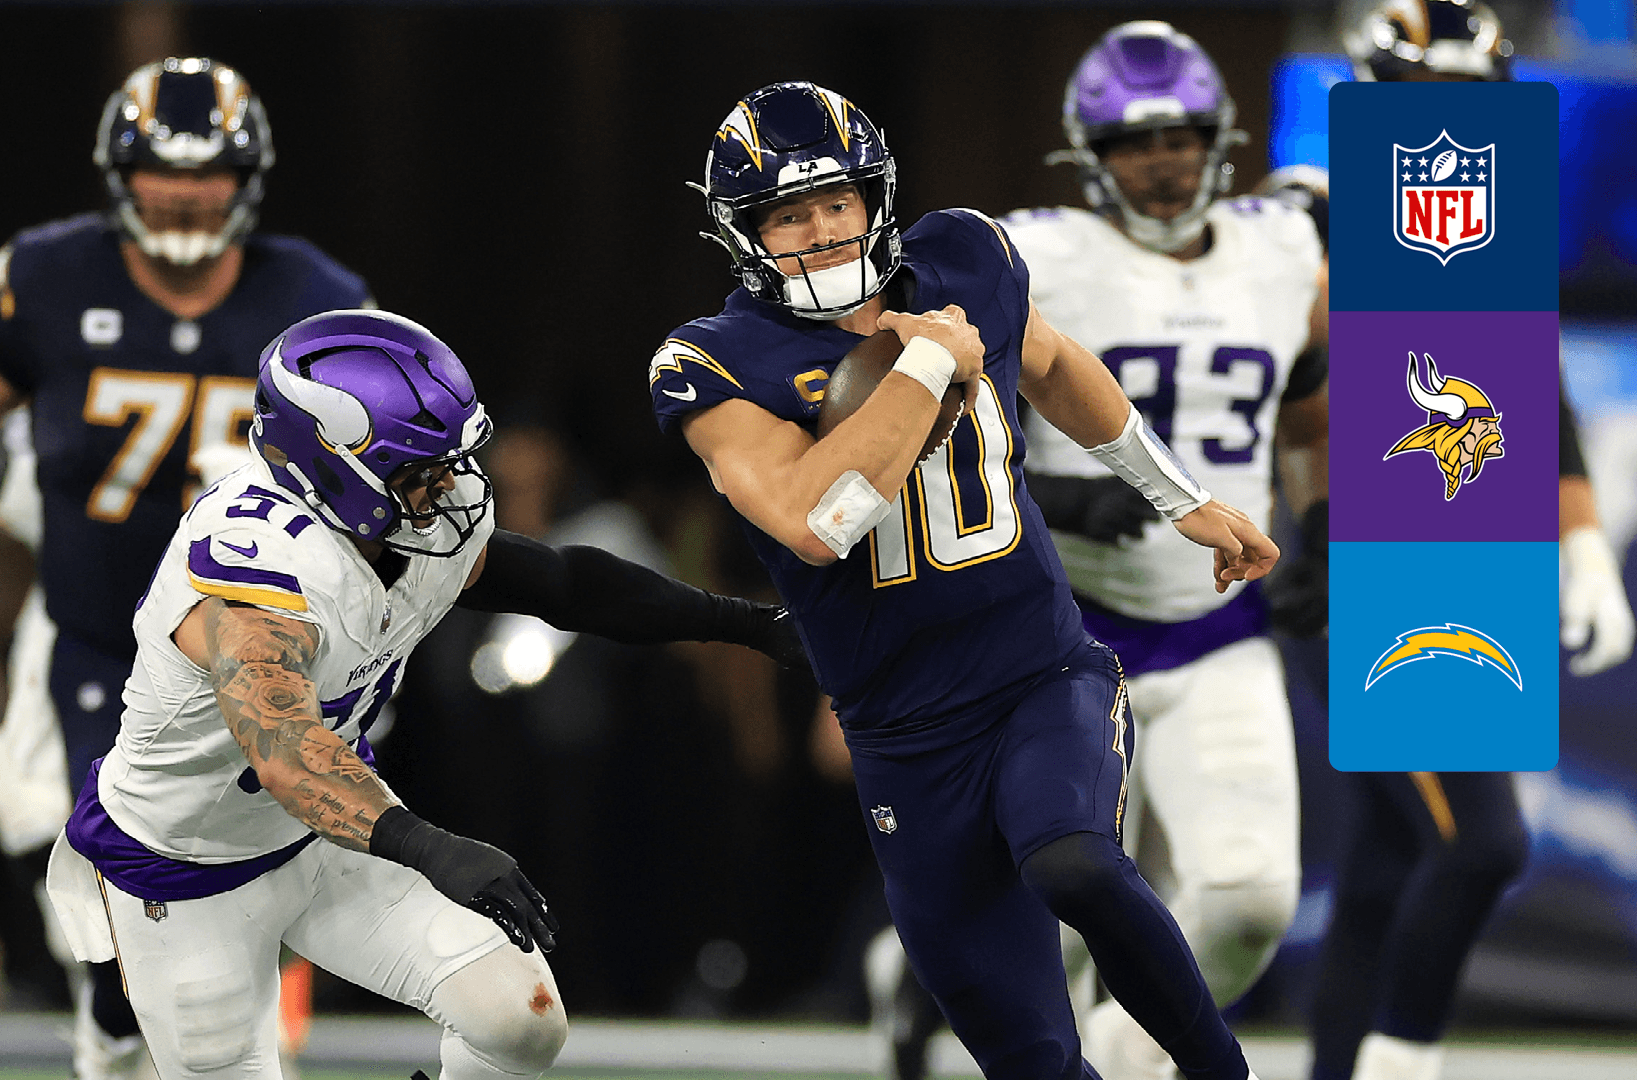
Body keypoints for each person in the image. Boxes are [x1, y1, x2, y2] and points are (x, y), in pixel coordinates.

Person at [651, 80, 1277, 1080]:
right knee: (1031, 1057)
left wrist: (1179, 497)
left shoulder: (963, 258)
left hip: (1040, 676)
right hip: (904, 736)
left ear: (875, 198)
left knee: (1073, 860)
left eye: (836, 202)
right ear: (744, 232)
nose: (821, 232)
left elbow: (1053, 362)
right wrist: (921, 369)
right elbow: (815, 524)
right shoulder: (715, 360)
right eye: (788, 214)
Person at [43, 307, 804, 1080]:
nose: (447, 487)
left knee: (520, 1020)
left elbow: (560, 584)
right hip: (182, 869)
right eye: (418, 471)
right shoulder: (252, 573)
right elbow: (286, 755)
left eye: (446, 460)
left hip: (322, 839)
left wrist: (744, 623)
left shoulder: (401, 523)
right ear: (331, 468)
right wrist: (433, 848)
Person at [0, 57, 376, 1080]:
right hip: (106, 650)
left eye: (207, 172)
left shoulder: (316, 298)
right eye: (162, 170)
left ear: (247, 180)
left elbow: (390, 469)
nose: (184, 194)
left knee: (238, 915)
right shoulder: (52, 276)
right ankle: (115, 1035)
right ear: (120, 176)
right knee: (120, 924)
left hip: (260, 655)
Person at [1297, 7, 1635, 1079]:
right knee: (1482, 841)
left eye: (1467, 102)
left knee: (1385, 862)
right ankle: (1402, 1059)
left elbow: (1527, 387)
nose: (1446, 129)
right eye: (1424, 100)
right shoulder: (1304, 217)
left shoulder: (1490, 218)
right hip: (1346, 564)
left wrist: (1583, 543)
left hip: (1453, 556)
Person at [1003, 23, 1322, 1079]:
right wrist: (1053, 493)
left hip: (1219, 625)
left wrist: (1322, 526)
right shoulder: (1035, 256)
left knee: (1248, 898)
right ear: (1089, 154)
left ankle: (1114, 1055)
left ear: (1218, 139)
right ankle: (920, 988)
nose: (1162, 161)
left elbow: (1312, 410)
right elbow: (942, 426)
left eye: (1180, 136)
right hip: (1063, 638)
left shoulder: (1284, 248)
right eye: (1134, 142)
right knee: (1049, 925)